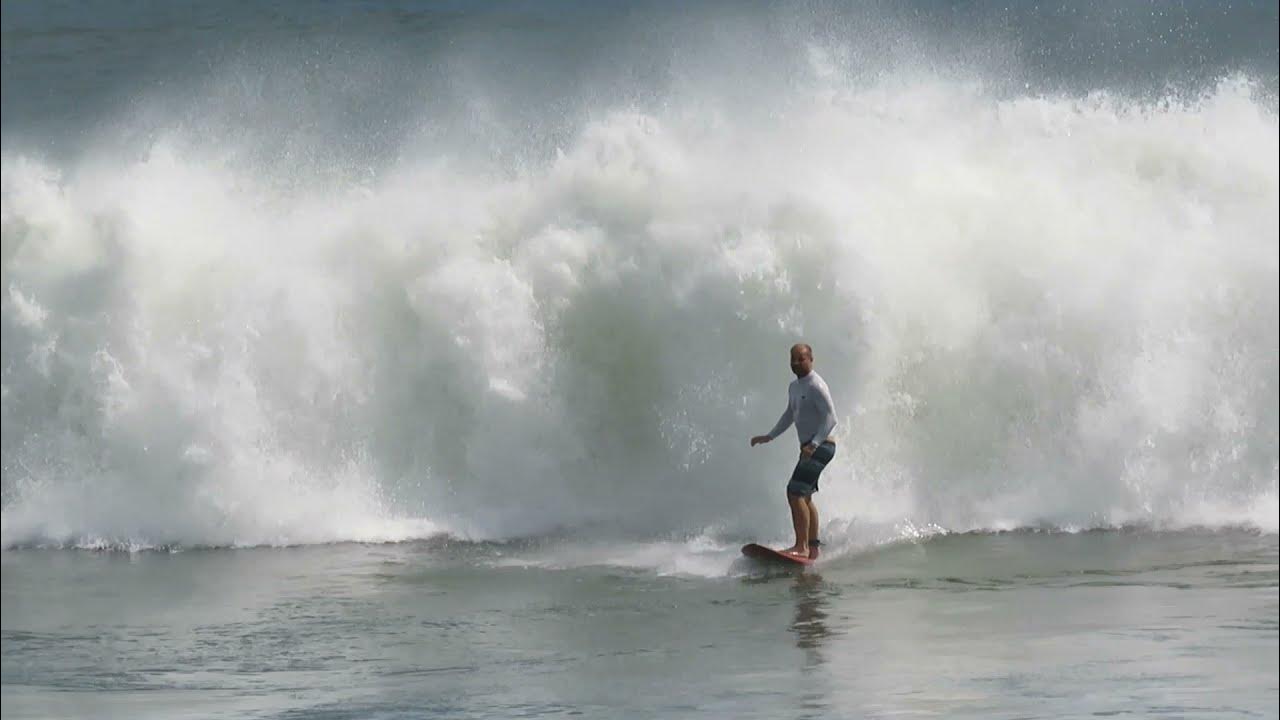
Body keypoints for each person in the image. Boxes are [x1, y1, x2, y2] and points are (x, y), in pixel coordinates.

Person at [750, 343, 838, 559]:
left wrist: (813, 445)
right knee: (805, 495)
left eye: (801, 358)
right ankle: (813, 547)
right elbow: (790, 414)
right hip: (810, 447)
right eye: (793, 359)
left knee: (794, 492)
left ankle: (801, 547)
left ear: (811, 359)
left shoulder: (816, 385)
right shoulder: (794, 387)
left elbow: (831, 418)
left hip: (822, 445)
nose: (796, 363)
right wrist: (770, 435)